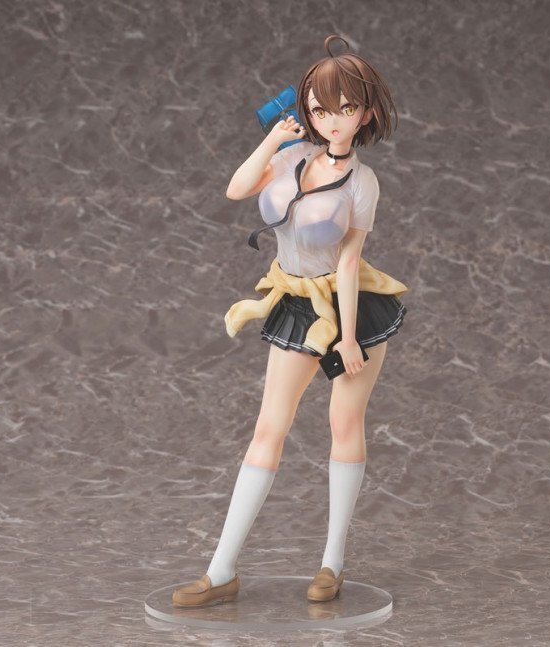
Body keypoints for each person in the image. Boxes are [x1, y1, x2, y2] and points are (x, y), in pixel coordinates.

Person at [172, 34, 408, 608]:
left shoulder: (363, 182)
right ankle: (220, 570)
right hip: (296, 301)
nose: (332, 120)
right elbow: (235, 189)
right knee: (268, 430)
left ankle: (332, 563)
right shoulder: (288, 156)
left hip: (349, 308)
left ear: (365, 114)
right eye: (320, 109)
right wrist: (272, 139)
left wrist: (348, 337)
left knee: (343, 425)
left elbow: (348, 261)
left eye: (346, 108)